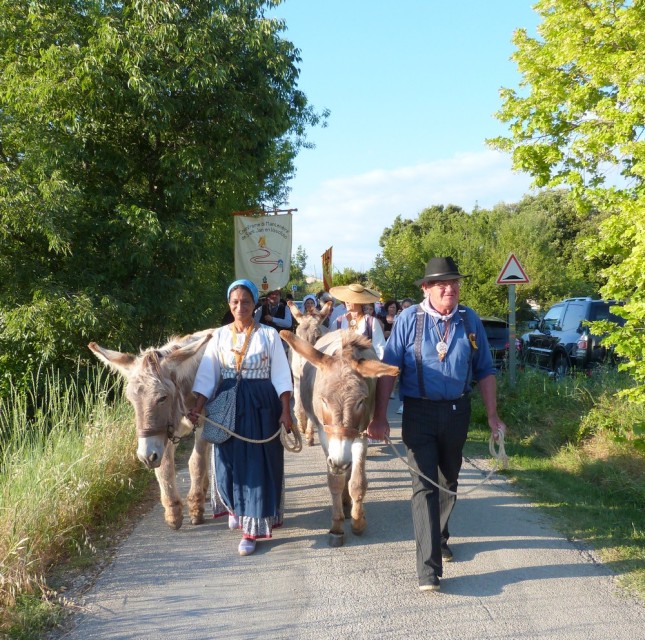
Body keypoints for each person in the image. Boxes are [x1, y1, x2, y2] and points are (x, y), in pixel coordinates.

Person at [366, 257, 507, 592]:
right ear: (426, 288)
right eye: (442, 284)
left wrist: (492, 416)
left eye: (455, 283)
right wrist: (380, 416)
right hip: (419, 413)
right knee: (424, 485)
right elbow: (389, 370)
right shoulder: (408, 320)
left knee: (449, 480)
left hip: (458, 412)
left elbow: (485, 370)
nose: (450, 289)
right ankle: (428, 569)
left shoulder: (468, 320)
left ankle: (440, 534)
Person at [187, 279, 294, 556]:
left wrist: (286, 410)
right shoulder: (220, 336)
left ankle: (252, 529)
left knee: (257, 464)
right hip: (227, 403)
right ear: (229, 305)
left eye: (245, 301)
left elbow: (282, 375)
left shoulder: (269, 335)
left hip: (261, 407)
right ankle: (236, 507)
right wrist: (198, 406)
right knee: (227, 461)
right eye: (234, 302)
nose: (240, 306)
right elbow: (208, 375)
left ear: (254, 304)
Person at [329, 283, 386, 359]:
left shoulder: (371, 322)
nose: (347, 302)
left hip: (364, 367)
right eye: (346, 299)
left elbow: (380, 349)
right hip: (342, 367)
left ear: (359, 302)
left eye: (350, 299)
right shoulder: (338, 322)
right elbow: (330, 348)